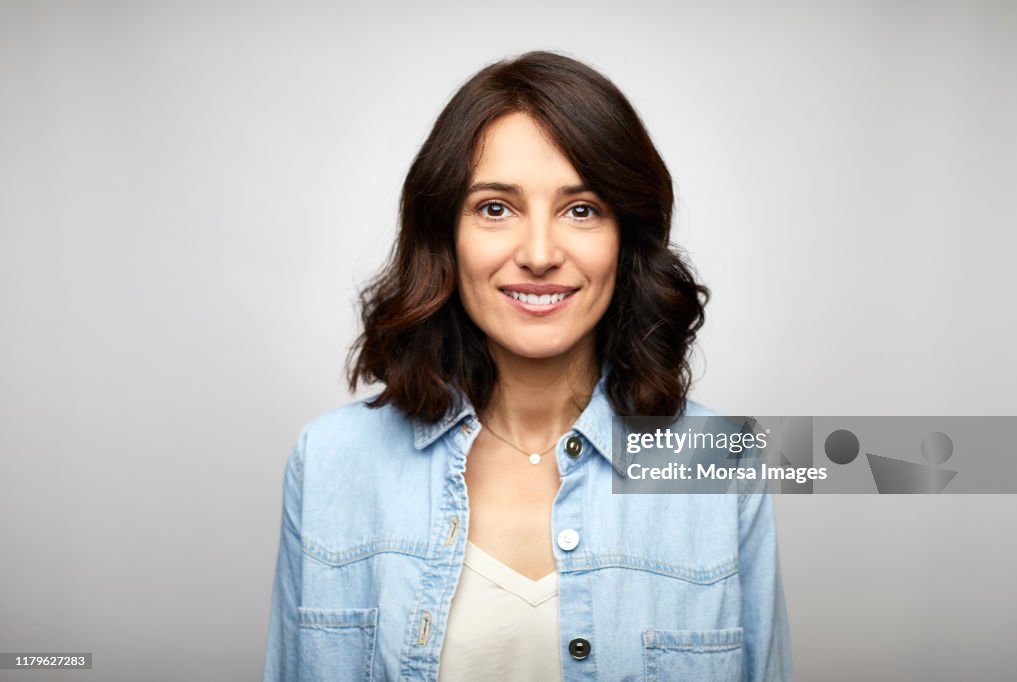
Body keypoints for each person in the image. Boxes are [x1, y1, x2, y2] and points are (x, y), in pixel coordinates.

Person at [262, 50, 793, 681]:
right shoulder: (330, 461)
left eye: (582, 209)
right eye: (495, 208)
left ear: (626, 241)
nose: (539, 254)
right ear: (444, 237)